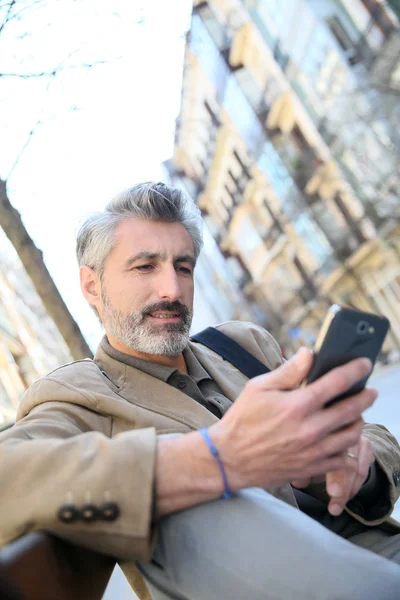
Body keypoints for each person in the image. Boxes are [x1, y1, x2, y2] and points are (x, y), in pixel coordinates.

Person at [1, 182, 400, 600]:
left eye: (184, 267)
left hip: (369, 547)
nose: (172, 290)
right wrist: (215, 458)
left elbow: (372, 437)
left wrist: (355, 463)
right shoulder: (75, 395)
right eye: (145, 267)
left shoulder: (242, 343)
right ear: (92, 286)